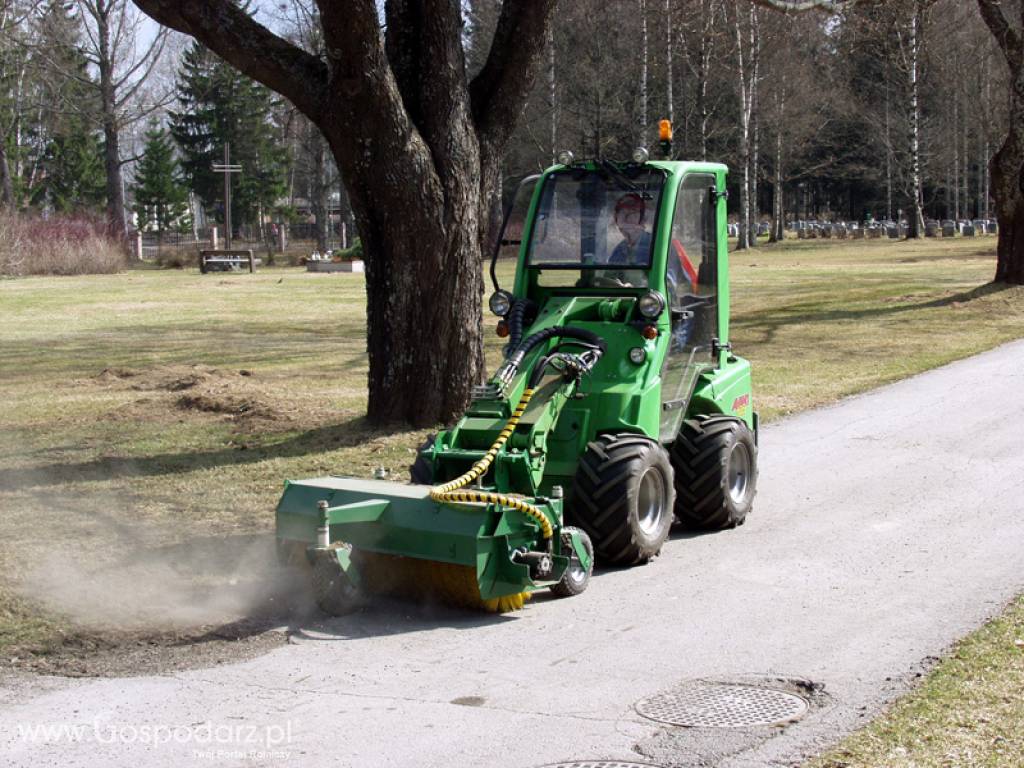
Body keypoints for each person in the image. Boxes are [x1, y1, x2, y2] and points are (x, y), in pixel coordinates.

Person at [608, 193, 652, 266]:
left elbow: (668, 275)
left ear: (642, 218)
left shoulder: (655, 246)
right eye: (622, 213)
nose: (627, 219)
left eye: (633, 212)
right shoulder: (619, 250)